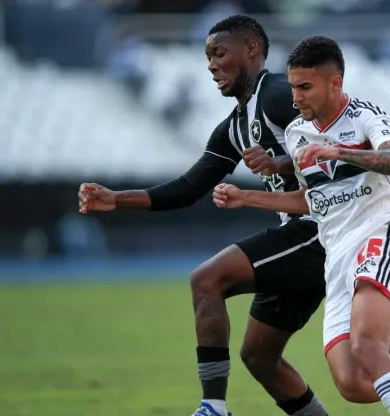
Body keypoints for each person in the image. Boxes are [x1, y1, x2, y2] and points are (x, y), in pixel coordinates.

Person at [213, 35, 390, 416]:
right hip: (336, 257)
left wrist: (339, 150)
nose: (296, 98)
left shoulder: (364, 115)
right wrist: (248, 197)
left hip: (379, 234)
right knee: (353, 384)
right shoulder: (296, 133)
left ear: (335, 83)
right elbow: (312, 200)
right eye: (293, 88)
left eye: (305, 87)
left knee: (368, 347)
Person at [77, 16, 328, 416]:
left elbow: (331, 142)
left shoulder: (281, 94)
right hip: (299, 236)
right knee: (260, 357)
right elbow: (189, 186)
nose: (211, 64)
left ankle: (213, 408)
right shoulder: (234, 126)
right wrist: (116, 199)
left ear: (251, 51)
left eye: (219, 53)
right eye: (207, 56)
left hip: (324, 229)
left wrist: (279, 161)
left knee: (206, 280)